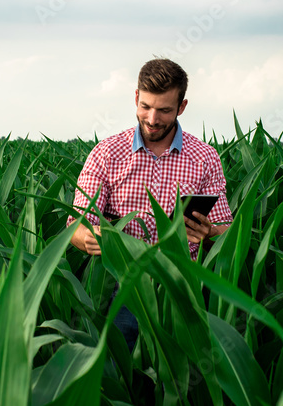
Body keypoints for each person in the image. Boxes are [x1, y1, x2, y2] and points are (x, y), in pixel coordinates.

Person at [66, 57, 233, 351]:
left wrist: (208, 233)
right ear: (136, 98)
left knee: (181, 378)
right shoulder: (106, 154)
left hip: (184, 286)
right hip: (122, 287)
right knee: (119, 373)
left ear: (181, 107)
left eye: (165, 110)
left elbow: (226, 232)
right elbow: (76, 225)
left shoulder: (205, 158)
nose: (153, 119)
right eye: (145, 106)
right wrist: (91, 237)